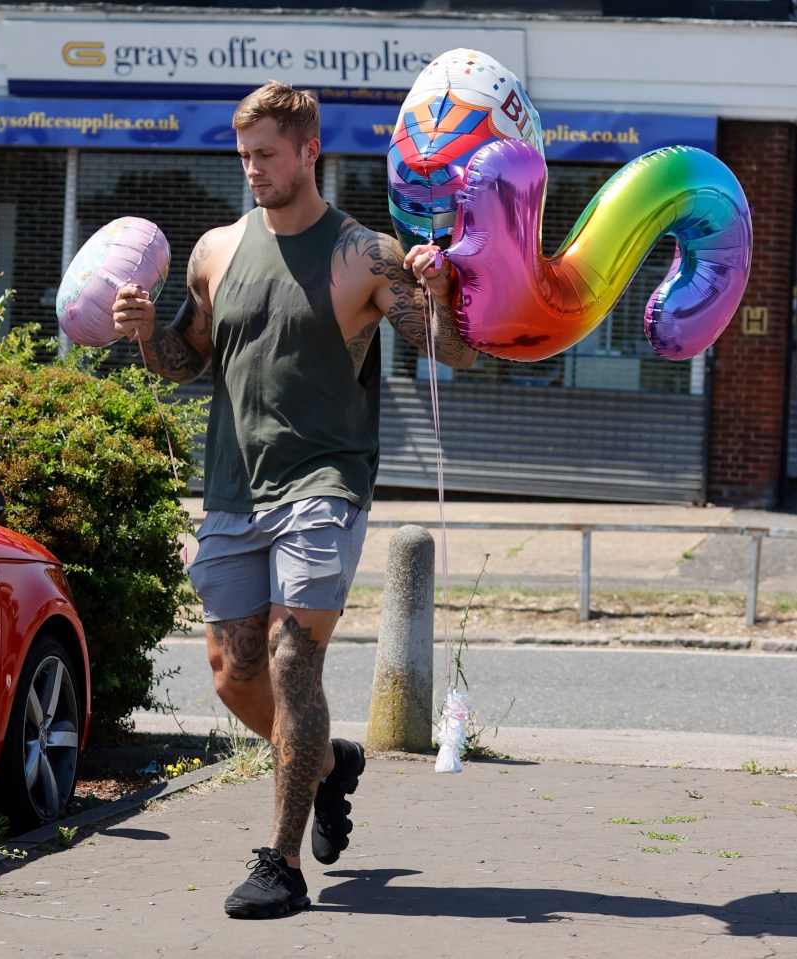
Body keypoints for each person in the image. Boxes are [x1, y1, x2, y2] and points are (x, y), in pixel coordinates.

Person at [112, 79, 475, 920]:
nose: (253, 170)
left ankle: (279, 862)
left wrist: (443, 284)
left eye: (267, 154)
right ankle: (328, 762)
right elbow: (186, 357)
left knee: (288, 663)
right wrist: (141, 335)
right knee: (235, 678)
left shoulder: (366, 254)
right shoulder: (216, 250)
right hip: (235, 487)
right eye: (244, 156)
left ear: (310, 150)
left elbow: (454, 354)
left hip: (325, 483)